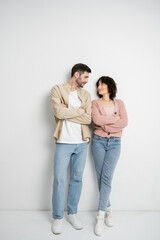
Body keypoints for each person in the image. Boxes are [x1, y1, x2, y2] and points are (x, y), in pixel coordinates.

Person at [50, 63, 91, 234]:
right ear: (76, 74)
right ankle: (58, 217)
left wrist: (70, 111)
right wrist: (79, 111)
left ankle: (72, 213)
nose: (87, 81)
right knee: (59, 179)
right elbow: (59, 114)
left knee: (77, 179)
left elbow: (88, 118)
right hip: (63, 142)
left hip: (81, 142)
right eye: (86, 77)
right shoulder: (57, 89)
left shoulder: (86, 94)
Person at [91, 76, 128, 236]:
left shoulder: (119, 103)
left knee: (107, 178)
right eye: (98, 85)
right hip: (98, 141)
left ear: (109, 86)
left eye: (102, 84)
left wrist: (106, 124)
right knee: (101, 177)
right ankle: (108, 209)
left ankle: (100, 215)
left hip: (115, 143)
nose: (99, 87)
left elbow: (124, 122)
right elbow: (96, 121)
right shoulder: (95, 103)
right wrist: (114, 119)